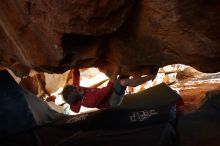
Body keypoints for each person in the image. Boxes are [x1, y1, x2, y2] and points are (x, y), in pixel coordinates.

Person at [62, 67, 155, 113]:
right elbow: (108, 88)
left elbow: (76, 77)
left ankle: (144, 69)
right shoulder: (90, 100)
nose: (78, 87)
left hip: (108, 92)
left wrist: (74, 66)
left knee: (124, 75)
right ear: (77, 96)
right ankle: (151, 76)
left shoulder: (76, 90)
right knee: (123, 82)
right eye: (76, 89)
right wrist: (116, 68)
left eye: (75, 87)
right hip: (111, 101)